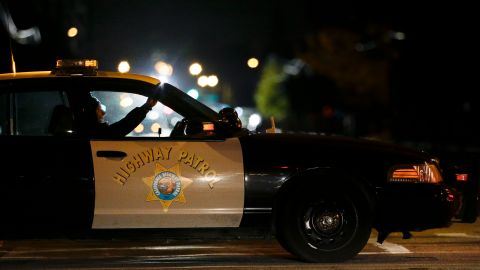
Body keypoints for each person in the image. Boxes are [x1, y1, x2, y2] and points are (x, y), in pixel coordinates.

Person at [80, 93, 157, 137]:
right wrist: (146, 107)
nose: (103, 113)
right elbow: (124, 125)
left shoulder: (88, 131)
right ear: (92, 112)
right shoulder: (98, 133)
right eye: (99, 109)